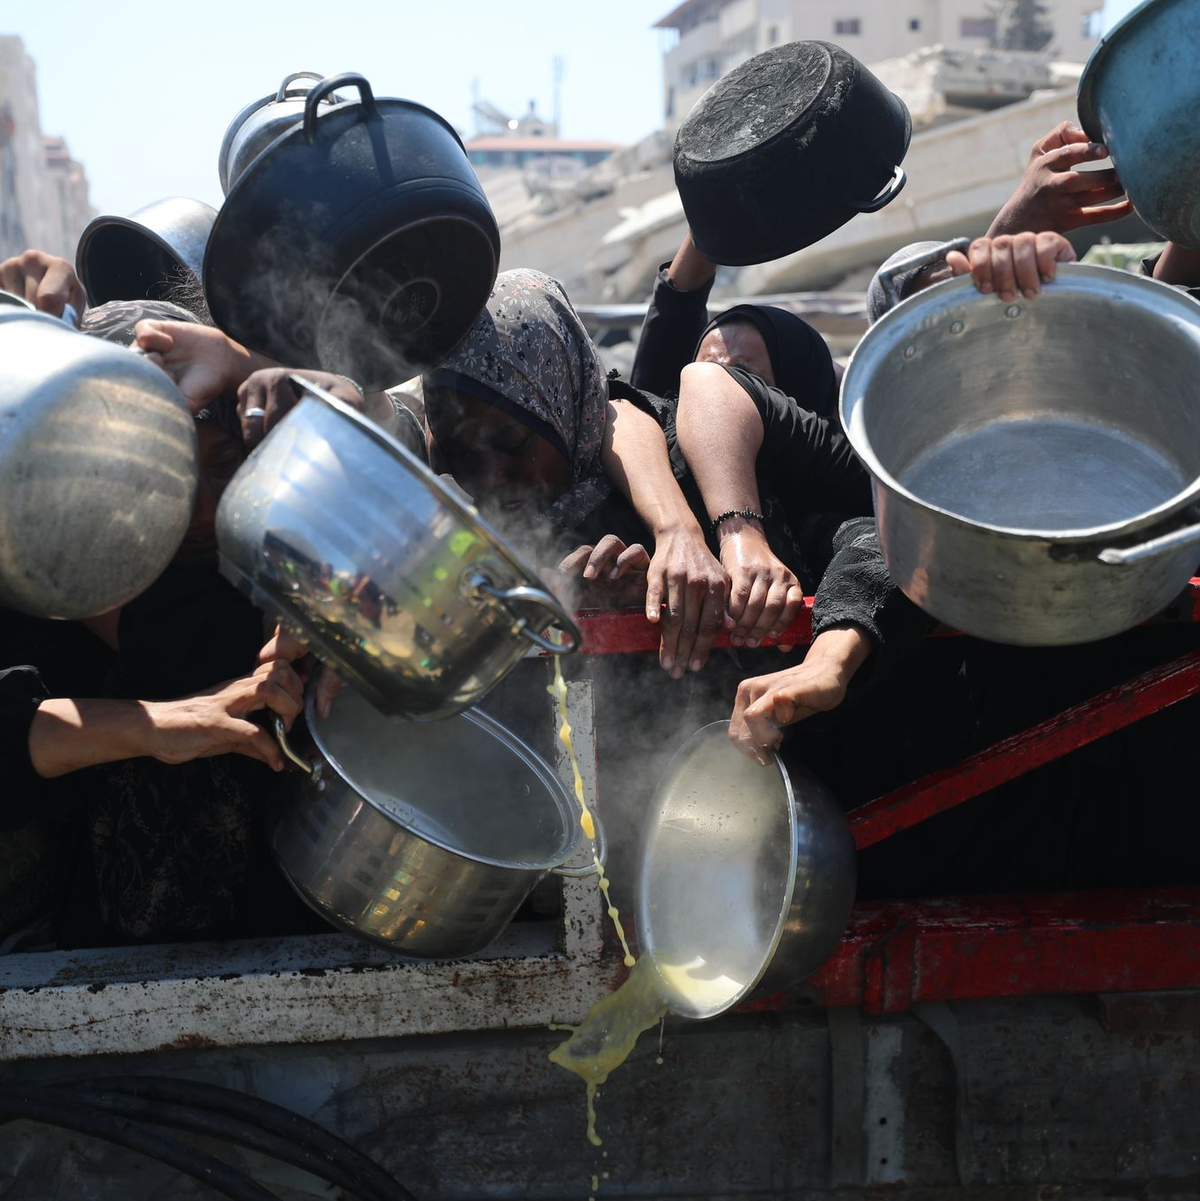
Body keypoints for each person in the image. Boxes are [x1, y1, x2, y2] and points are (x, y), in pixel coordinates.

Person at [727, 232, 1077, 762]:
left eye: (973, 298)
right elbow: (883, 540)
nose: (960, 326)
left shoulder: (1076, 393)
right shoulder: (865, 462)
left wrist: (1059, 291)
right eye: (929, 316)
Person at [630, 230, 842, 419]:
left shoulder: (843, 460)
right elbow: (674, 309)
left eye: (742, 375)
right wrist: (709, 213)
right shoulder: (658, 439)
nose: (713, 384)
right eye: (704, 369)